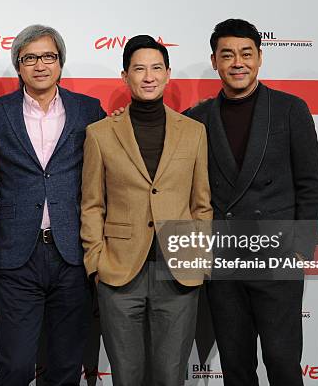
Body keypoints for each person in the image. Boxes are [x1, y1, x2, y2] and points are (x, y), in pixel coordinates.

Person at [186, 18, 318, 386]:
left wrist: (301, 250)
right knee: (236, 365)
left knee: (282, 362)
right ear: (214, 61)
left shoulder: (290, 109)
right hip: (223, 260)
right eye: (227, 55)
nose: (237, 63)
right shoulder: (195, 120)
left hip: (278, 257)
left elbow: (310, 183)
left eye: (246, 53)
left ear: (260, 58)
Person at [80, 35, 213, 385]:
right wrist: (96, 262)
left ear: (168, 74)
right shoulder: (100, 134)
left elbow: (202, 203)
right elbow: (93, 204)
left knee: (171, 377)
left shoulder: (194, 132)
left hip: (178, 274)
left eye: (156, 68)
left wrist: (199, 257)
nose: (149, 76)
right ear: (125, 76)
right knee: (127, 376)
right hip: (120, 273)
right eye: (139, 68)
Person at [0, 24, 105, 386]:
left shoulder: (88, 110)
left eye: (48, 56)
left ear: (60, 63)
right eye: (29, 58)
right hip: (18, 254)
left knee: (66, 367)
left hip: (72, 253)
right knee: (15, 366)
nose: (40, 65)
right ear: (19, 65)